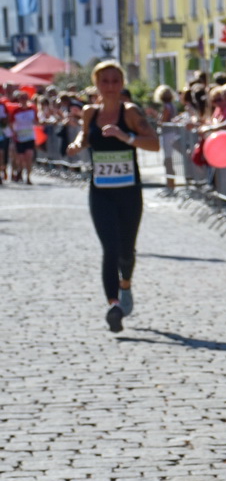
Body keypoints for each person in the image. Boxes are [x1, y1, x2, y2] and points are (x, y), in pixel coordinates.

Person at [67, 61, 160, 332]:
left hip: (128, 192)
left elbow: (154, 144)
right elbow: (85, 136)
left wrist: (125, 136)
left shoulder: (130, 112)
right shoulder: (90, 112)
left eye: (115, 81)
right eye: (104, 81)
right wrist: (76, 145)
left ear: (122, 84)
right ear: (96, 84)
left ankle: (125, 285)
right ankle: (114, 306)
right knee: (110, 247)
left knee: (126, 250)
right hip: (101, 192)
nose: (110, 86)